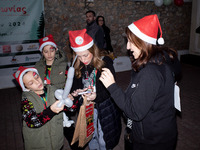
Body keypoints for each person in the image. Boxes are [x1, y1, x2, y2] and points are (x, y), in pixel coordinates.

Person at [100, 14, 181, 150]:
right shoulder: (156, 63)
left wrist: (112, 86)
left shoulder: (150, 72)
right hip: (158, 133)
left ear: (143, 42)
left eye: (131, 41)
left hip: (153, 141)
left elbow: (134, 112)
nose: (128, 47)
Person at [68, 29, 122, 150]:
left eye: (86, 55)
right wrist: (75, 93)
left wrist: (96, 96)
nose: (83, 59)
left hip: (104, 106)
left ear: (93, 50)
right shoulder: (77, 63)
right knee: (90, 136)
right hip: (87, 107)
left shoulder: (105, 62)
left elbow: (110, 89)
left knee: (104, 138)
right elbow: (75, 84)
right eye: (79, 56)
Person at [35, 34, 80, 150]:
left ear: (56, 49)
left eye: (51, 50)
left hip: (62, 101)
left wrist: (70, 94)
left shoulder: (63, 64)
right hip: (47, 103)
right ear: (42, 53)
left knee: (68, 129)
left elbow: (70, 81)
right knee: (51, 132)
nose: (49, 54)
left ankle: (77, 146)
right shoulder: (38, 67)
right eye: (45, 51)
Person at [13, 66, 65, 150]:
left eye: (36, 77)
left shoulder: (53, 90)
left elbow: (71, 108)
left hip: (56, 141)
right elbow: (33, 121)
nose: (37, 82)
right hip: (39, 144)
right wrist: (51, 111)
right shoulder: (26, 101)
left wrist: (72, 99)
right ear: (26, 87)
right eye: (31, 83)